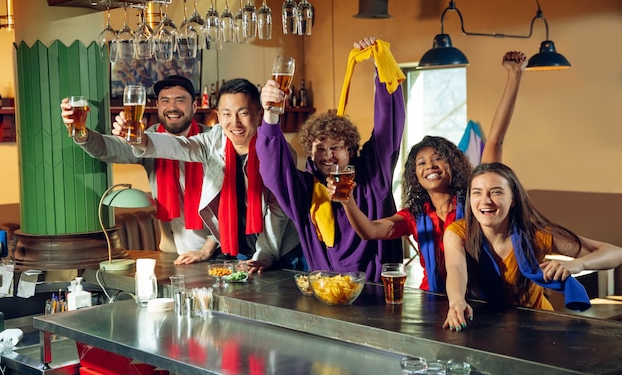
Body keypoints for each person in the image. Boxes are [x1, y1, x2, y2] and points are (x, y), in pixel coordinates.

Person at [330, 51, 528, 291]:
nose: (430, 166)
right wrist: (347, 202)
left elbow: (495, 141)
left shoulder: (475, 201)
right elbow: (370, 231)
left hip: (483, 298)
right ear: (415, 175)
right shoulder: (414, 215)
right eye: (421, 163)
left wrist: (514, 75)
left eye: (437, 159)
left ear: (453, 164)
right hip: (433, 300)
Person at [113, 78, 305, 274]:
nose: (235, 123)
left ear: (258, 115)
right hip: (241, 254)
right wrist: (140, 139)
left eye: (243, 113)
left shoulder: (276, 150)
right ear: (219, 117)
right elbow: (178, 146)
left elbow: (278, 209)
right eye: (227, 114)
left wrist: (265, 255)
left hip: (283, 253)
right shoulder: (213, 143)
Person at [257, 37, 406, 283]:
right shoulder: (304, 190)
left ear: (350, 148)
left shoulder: (373, 176)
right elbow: (274, 171)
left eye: (336, 147)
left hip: (377, 292)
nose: (328, 155)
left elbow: (388, 127)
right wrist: (271, 114)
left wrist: (382, 66)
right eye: (320, 148)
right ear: (310, 152)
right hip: (326, 291)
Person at [443, 162, 622, 331]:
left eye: (496, 192)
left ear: (513, 199)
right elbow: (456, 269)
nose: (485, 200)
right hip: (484, 325)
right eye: (477, 192)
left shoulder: (536, 234)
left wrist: (577, 264)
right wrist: (457, 301)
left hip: (536, 327)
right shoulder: (457, 232)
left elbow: (616, 253)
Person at [61, 75, 219, 264]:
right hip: (171, 253)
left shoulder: (211, 140)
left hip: (215, 253)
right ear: (158, 106)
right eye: (165, 100)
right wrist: (81, 132)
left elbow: (232, 201)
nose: (172, 107)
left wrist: (206, 249)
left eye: (180, 100)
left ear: (194, 106)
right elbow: (111, 149)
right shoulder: (147, 138)